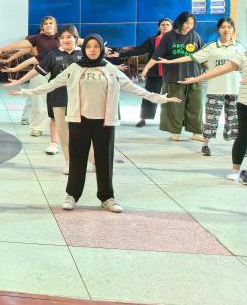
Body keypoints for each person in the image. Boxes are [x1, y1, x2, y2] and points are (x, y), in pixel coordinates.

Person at [10, 34, 180, 213]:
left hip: (104, 122)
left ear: (101, 49)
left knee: (104, 161)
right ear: (84, 49)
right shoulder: (75, 68)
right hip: (79, 120)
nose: (92, 50)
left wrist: (161, 98)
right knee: (77, 160)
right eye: (89, 46)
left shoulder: (110, 69)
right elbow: (51, 84)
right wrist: (25, 92)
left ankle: (107, 197)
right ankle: (72, 195)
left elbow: (134, 88)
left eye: (96, 47)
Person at [179, 26, 247, 185]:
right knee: (243, 137)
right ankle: (235, 170)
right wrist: (195, 79)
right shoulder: (242, 56)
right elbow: (220, 70)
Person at [161, 17, 247, 157]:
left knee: (234, 119)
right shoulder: (211, 46)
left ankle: (239, 147)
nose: (226, 30)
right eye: (223, 27)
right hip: (216, 89)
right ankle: (206, 144)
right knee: (211, 119)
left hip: (235, 89)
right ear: (218, 29)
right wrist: (170, 61)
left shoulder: (240, 47)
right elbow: (192, 57)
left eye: (229, 27)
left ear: (233, 29)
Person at [5, 25, 83, 173]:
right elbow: (36, 70)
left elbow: (103, 67)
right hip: (57, 94)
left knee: (80, 129)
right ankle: (64, 156)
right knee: (59, 124)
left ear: (76, 38)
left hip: (80, 96)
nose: (65, 40)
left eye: (69, 37)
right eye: (62, 37)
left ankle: (91, 160)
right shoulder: (53, 54)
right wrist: (18, 81)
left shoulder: (84, 54)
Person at [0, 16, 60, 138]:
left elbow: (79, 41)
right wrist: (2, 50)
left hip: (58, 73)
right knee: (38, 100)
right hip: (40, 71)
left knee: (59, 101)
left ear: (55, 26)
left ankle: (60, 127)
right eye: (46, 23)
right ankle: (37, 127)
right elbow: (19, 46)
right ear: (42, 26)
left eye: (51, 23)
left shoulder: (62, 37)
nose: (48, 25)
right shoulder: (37, 38)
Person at [140, 11, 204, 141]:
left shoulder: (195, 36)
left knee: (195, 105)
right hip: (174, 77)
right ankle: (175, 132)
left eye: (192, 23)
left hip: (194, 76)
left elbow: (203, 55)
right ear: (180, 22)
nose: (189, 26)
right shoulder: (169, 37)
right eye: (186, 23)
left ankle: (197, 132)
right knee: (174, 106)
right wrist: (146, 69)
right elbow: (156, 56)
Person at [109, 18, 172, 127]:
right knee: (149, 95)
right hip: (154, 73)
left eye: (167, 24)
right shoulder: (152, 40)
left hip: (172, 72)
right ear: (159, 27)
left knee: (173, 95)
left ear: (171, 27)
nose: (165, 26)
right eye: (163, 25)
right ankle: (143, 118)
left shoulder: (176, 40)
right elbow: (138, 50)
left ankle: (173, 119)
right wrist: (120, 54)